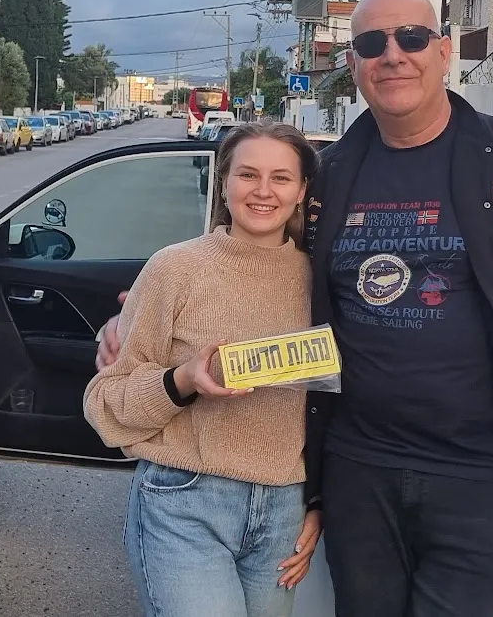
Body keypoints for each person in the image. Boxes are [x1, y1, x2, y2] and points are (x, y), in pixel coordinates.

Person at [99, 0, 493, 617]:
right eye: (373, 42)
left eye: (411, 38)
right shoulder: (333, 174)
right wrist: (135, 316)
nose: (393, 55)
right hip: (357, 469)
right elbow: (257, 266)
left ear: (444, 52)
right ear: (353, 63)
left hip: (481, 473)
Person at [85, 120, 322, 617]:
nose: (263, 191)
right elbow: (105, 404)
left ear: (302, 191)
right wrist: (183, 381)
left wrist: (318, 502)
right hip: (185, 502)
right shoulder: (175, 268)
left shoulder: (321, 280)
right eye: (248, 174)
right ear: (223, 182)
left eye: (280, 178)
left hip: (284, 509)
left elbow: (335, 406)